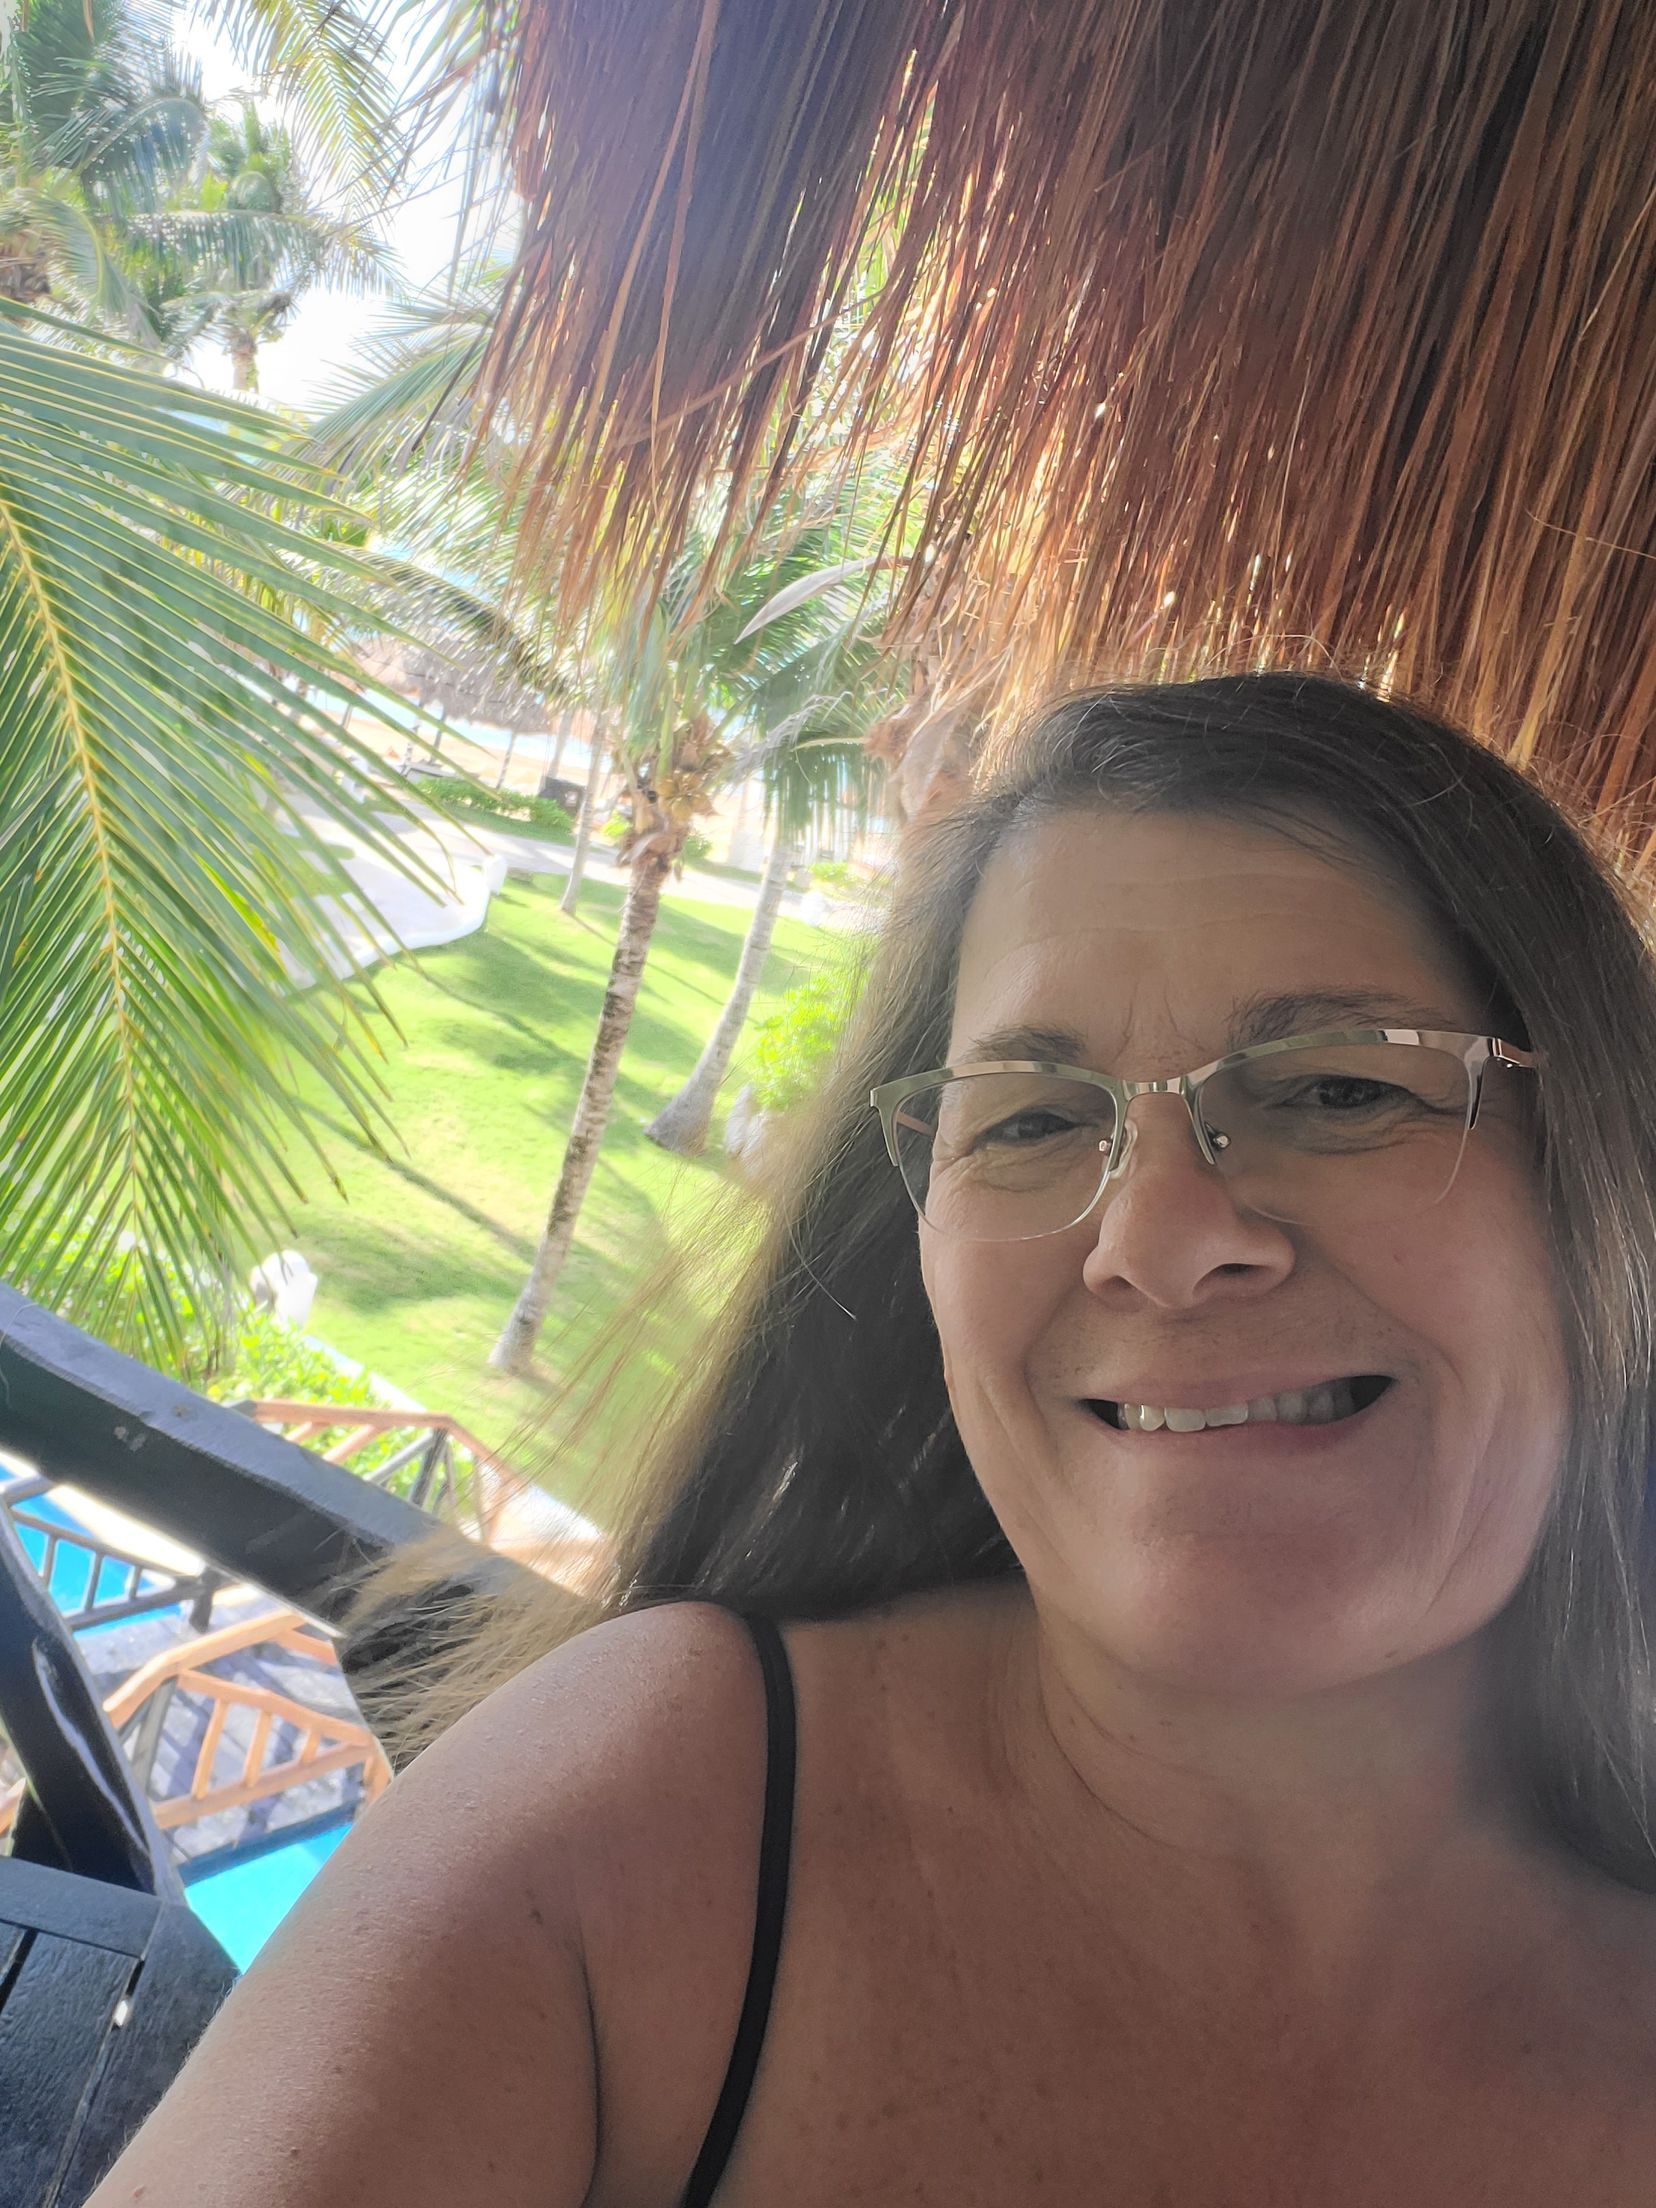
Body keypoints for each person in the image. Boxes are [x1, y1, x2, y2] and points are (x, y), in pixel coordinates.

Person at [91, 672, 1656, 2205]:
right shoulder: (654, 1825)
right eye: (1034, 1120)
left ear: (1607, 1187)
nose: (1159, 1240)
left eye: (1338, 1089)